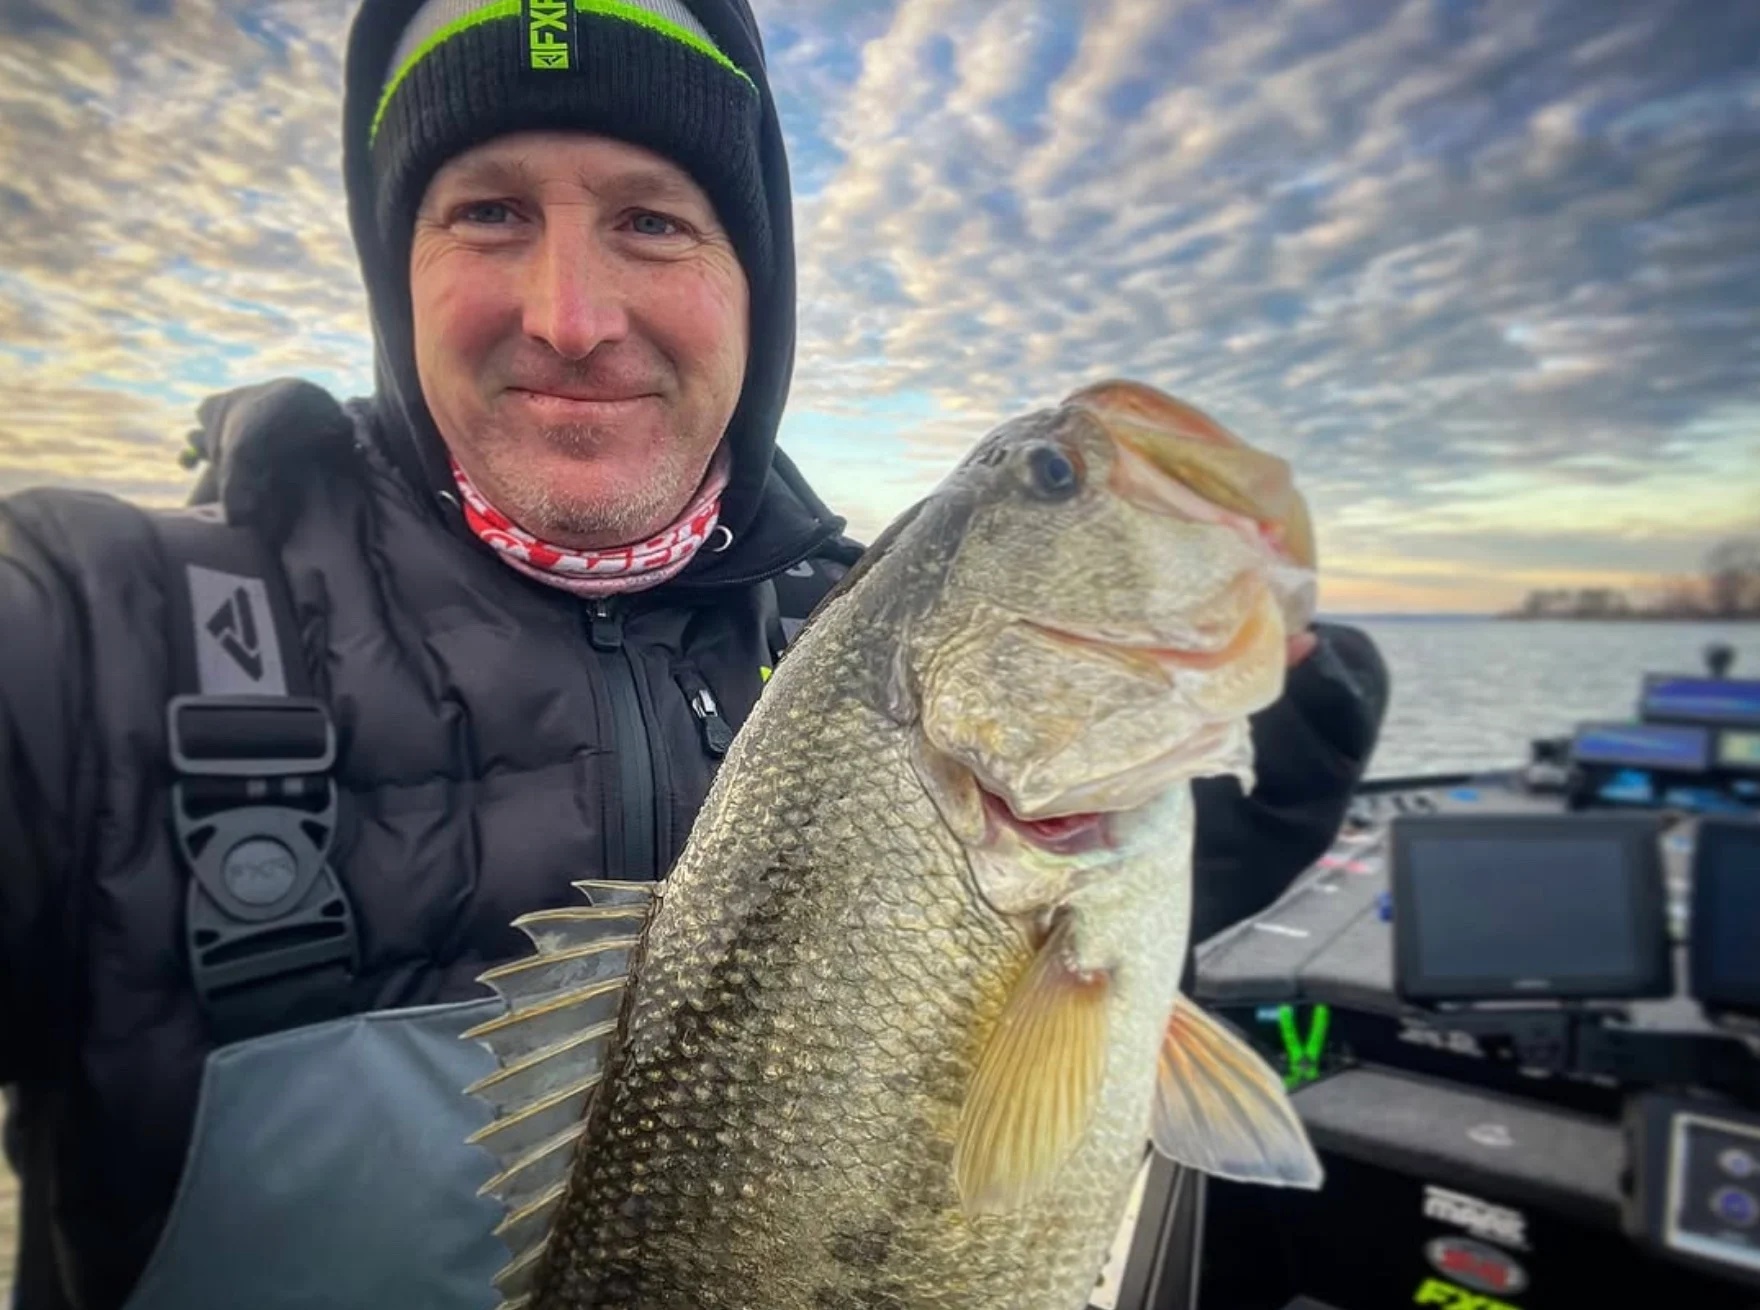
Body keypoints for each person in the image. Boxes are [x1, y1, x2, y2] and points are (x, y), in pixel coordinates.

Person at [0, 1, 1389, 1306]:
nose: (570, 313)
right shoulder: (85, 623)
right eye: (487, 210)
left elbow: (998, 1061)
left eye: (653, 220)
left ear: (755, 283)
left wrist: (1175, 888)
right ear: (393, 266)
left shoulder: (858, 630)